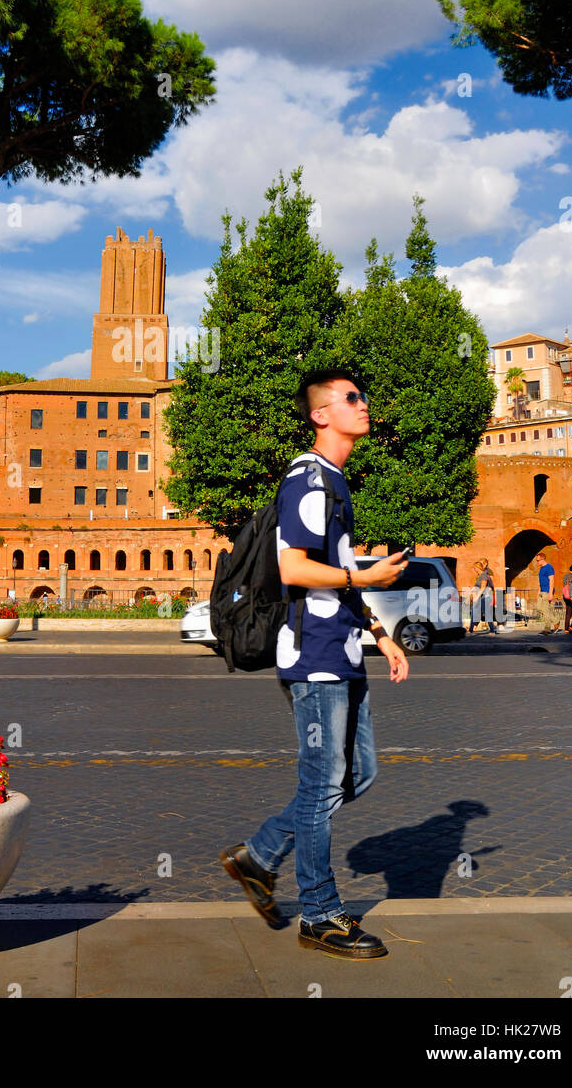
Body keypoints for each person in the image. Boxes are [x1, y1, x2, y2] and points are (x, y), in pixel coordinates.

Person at [220, 368, 408, 960]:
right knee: (323, 782)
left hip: (345, 652)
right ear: (321, 414)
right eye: (352, 398)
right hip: (314, 657)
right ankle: (320, 914)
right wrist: (365, 576)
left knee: (359, 775)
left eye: (363, 396)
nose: (365, 405)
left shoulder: (336, 482)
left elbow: (337, 575)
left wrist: (380, 631)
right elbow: (295, 568)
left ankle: (258, 855)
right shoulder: (306, 479)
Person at [469, 559, 499, 635]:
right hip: (481, 597)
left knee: (487, 614)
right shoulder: (479, 576)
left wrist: (476, 597)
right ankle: (471, 629)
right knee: (474, 612)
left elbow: (483, 587)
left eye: (474, 568)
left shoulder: (484, 575)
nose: (474, 569)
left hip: (485, 597)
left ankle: (492, 630)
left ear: (477, 568)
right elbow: (477, 586)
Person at [535, 552, 557, 634]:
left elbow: (552, 580)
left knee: (546, 610)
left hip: (547, 591)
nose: (537, 562)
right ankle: (556, 620)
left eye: (538, 560)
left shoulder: (549, 567)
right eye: (536, 560)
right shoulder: (541, 569)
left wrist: (551, 593)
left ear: (543, 559)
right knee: (539, 608)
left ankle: (547, 629)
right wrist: (538, 593)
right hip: (541, 591)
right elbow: (540, 582)